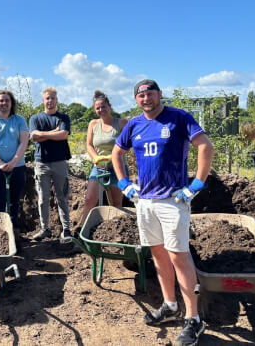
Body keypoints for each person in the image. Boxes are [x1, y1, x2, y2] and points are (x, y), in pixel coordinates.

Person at [112, 79, 214, 346]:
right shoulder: (134, 125)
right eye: (141, 95)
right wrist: (124, 183)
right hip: (145, 202)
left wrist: (196, 186)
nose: (146, 98)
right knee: (158, 255)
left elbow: (205, 146)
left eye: (150, 93)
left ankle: (193, 319)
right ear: (136, 99)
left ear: (159, 94)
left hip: (173, 201)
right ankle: (170, 306)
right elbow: (116, 154)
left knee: (180, 258)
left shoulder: (178, 118)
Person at [28, 87, 73, 245]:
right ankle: (44, 228)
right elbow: (34, 137)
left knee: (62, 197)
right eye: (47, 98)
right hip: (41, 163)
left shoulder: (63, 118)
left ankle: (66, 229)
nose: (50, 101)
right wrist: (53, 132)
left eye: (52, 98)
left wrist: (44, 134)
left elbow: (63, 135)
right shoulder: (35, 118)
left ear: (56, 100)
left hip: (60, 161)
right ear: (43, 100)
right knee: (43, 198)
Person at [79, 91, 129, 228]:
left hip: (118, 167)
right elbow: (89, 145)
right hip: (99, 166)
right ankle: (82, 231)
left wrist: (113, 156)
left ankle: (115, 232)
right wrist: (96, 158)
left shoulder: (122, 123)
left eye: (103, 106)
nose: (101, 110)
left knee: (116, 204)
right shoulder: (93, 124)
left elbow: (129, 145)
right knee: (90, 199)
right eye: (98, 108)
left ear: (109, 106)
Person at [0, 90, 29, 231]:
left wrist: (14, 162)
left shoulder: (19, 120)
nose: (4, 103)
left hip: (18, 166)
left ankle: (14, 229)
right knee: (0, 197)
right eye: (1, 101)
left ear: (11, 103)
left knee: (14, 200)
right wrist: (0, 163)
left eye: (7, 100)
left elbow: (24, 141)